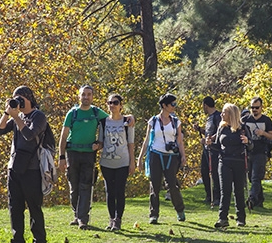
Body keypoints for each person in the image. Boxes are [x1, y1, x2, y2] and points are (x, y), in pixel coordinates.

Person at [0, 86, 48, 243]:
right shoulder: (17, 116)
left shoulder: (38, 116)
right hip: (15, 167)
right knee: (15, 208)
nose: (18, 102)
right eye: (15, 98)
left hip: (32, 169)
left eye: (20, 99)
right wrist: (7, 112)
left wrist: (17, 117)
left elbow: (29, 135)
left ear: (29, 98)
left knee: (34, 207)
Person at [57, 85, 110, 229]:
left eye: (89, 94)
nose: (86, 97)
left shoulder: (96, 112)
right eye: (83, 94)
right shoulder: (72, 113)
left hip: (89, 154)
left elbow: (114, 120)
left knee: (86, 186)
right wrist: (61, 157)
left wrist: (100, 144)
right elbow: (63, 136)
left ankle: (83, 219)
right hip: (72, 154)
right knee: (74, 187)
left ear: (92, 96)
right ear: (79, 96)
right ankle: (76, 214)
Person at [137, 93, 186, 224]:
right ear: (164, 105)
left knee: (172, 184)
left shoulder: (176, 121)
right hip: (155, 155)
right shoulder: (153, 121)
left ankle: (180, 210)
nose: (174, 107)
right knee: (155, 185)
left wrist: (183, 156)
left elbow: (180, 141)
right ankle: (154, 214)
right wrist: (140, 158)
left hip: (171, 157)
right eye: (172, 104)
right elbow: (146, 140)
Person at [208, 103, 251, 228]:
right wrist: (210, 143)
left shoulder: (242, 128)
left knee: (238, 190)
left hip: (238, 161)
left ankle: (241, 218)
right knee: (225, 191)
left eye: (224, 112)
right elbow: (217, 146)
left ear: (231, 114)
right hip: (224, 161)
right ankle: (222, 218)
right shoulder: (222, 128)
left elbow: (251, 145)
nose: (221, 114)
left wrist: (247, 142)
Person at [98, 93, 135, 231]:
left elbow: (131, 144)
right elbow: (101, 141)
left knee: (120, 191)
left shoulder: (128, 122)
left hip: (123, 162)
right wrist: (96, 146)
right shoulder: (103, 122)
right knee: (109, 192)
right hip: (106, 163)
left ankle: (118, 219)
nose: (112, 105)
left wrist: (132, 162)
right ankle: (111, 219)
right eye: (110, 103)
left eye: (115, 102)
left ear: (121, 105)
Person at [242, 97, 272, 208]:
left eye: (256, 107)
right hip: (248, 152)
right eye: (252, 107)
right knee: (252, 177)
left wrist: (263, 133)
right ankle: (260, 200)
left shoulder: (266, 120)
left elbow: (271, 136)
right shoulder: (245, 120)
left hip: (261, 151)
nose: (254, 110)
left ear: (261, 108)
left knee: (256, 177)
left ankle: (252, 199)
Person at [196, 96, 222, 208]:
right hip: (206, 149)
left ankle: (217, 197)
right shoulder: (209, 118)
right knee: (204, 171)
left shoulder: (218, 117)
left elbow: (220, 132)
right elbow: (208, 132)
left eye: (203, 106)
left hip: (215, 150)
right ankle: (209, 195)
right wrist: (200, 130)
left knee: (215, 173)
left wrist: (210, 140)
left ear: (205, 105)